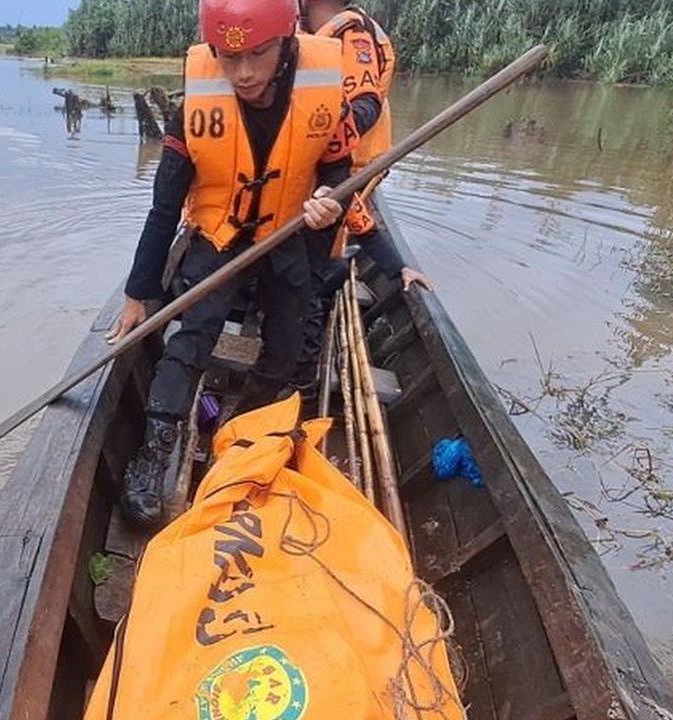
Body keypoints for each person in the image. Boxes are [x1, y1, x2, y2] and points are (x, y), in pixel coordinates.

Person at [104, 0, 357, 529]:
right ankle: (154, 449)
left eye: (258, 55)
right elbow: (164, 204)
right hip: (217, 232)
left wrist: (328, 198)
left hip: (286, 229)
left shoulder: (325, 88)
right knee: (192, 331)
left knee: (290, 343)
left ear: (287, 41)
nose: (242, 72)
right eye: (227, 56)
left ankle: (243, 426)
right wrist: (138, 291)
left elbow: (337, 166)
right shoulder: (198, 99)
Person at [294, 0, 432, 396]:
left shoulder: (351, 32)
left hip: (347, 166)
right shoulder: (321, 32)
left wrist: (396, 267)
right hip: (323, 164)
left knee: (318, 269)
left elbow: (364, 106)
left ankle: (303, 374)